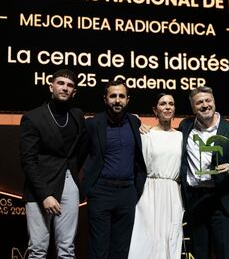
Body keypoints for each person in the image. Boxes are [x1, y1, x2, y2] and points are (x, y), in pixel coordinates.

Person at [20, 68, 88, 258]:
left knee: (67, 248)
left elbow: (79, 151)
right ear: (51, 87)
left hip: (68, 182)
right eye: (60, 83)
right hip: (40, 187)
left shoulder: (77, 115)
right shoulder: (33, 117)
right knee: (38, 249)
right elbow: (28, 160)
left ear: (74, 92)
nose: (65, 88)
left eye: (70, 85)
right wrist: (44, 195)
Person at [179, 86, 229, 259]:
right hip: (195, 200)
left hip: (221, 200)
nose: (204, 105)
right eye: (199, 102)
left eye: (208, 100)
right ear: (193, 107)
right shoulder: (185, 127)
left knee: (225, 253)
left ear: (214, 102)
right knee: (198, 253)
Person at [81, 79, 147, 259]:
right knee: (99, 249)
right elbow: (79, 157)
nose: (117, 100)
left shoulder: (134, 122)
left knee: (121, 250)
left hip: (127, 193)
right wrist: (88, 189)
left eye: (121, 96)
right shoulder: (93, 124)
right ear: (105, 99)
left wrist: (135, 189)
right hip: (100, 192)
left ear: (128, 99)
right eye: (113, 96)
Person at [128, 93, 184, 259]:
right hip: (149, 192)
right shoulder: (146, 134)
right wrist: (138, 123)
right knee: (146, 239)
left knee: (170, 239)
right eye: (162, 104)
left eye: (171, 104)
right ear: (155, 110)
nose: (167, 107)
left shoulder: (181, 136)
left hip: (173, 193)